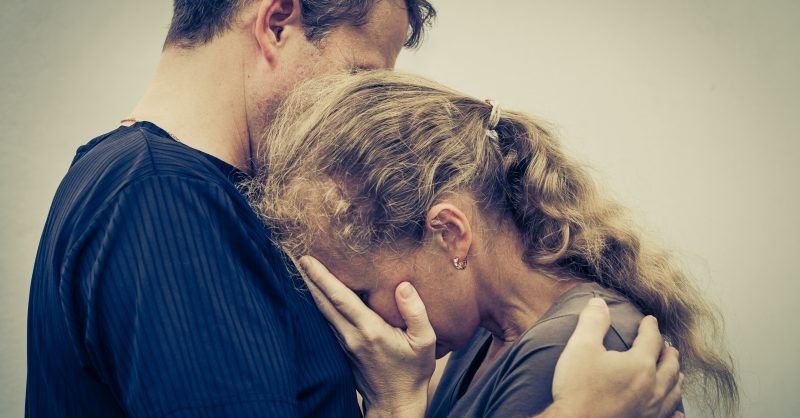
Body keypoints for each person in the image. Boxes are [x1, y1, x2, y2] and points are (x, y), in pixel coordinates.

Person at [26, 0, 681, 417]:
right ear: (277, 22)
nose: (359, 110)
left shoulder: (178, 192)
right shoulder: (164, 201)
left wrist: (396, 401)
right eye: (360, 76)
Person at [251, 70, 739, 417]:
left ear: (450, 234)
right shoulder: (482, 338)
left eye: (361, 294)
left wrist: (395, 406)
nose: (358, 324)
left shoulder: (571, 352)